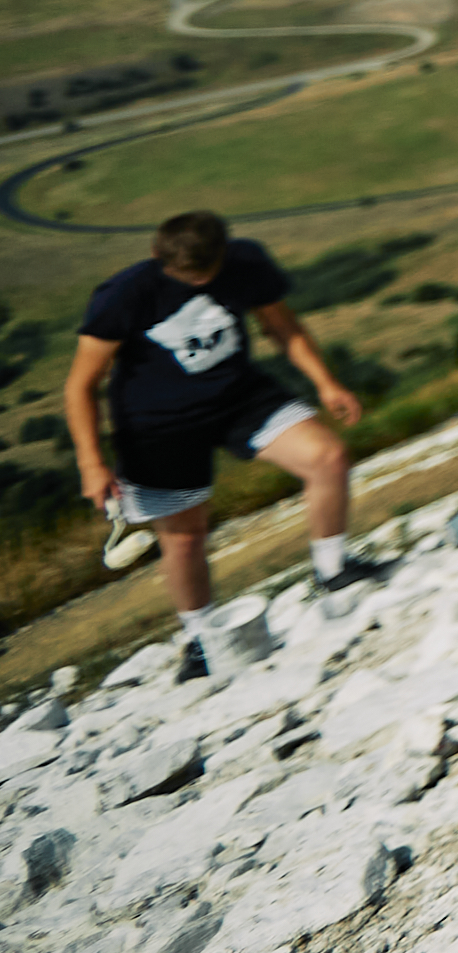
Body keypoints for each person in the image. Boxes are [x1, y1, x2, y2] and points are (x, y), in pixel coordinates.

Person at [65, 210, 384, 681]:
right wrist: (91, 463)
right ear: (157, 255)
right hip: (158, 426)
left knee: (328, 457)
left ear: (223, 254)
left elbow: (283, 326)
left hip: (240, 397)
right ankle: (201, 640)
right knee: (186, 537)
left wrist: (327, 383)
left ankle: (334, 569)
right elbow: (81, 385)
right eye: (182, 275)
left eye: (204, 273)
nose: (194, 281)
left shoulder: (247, 263)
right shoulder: (124, 295)